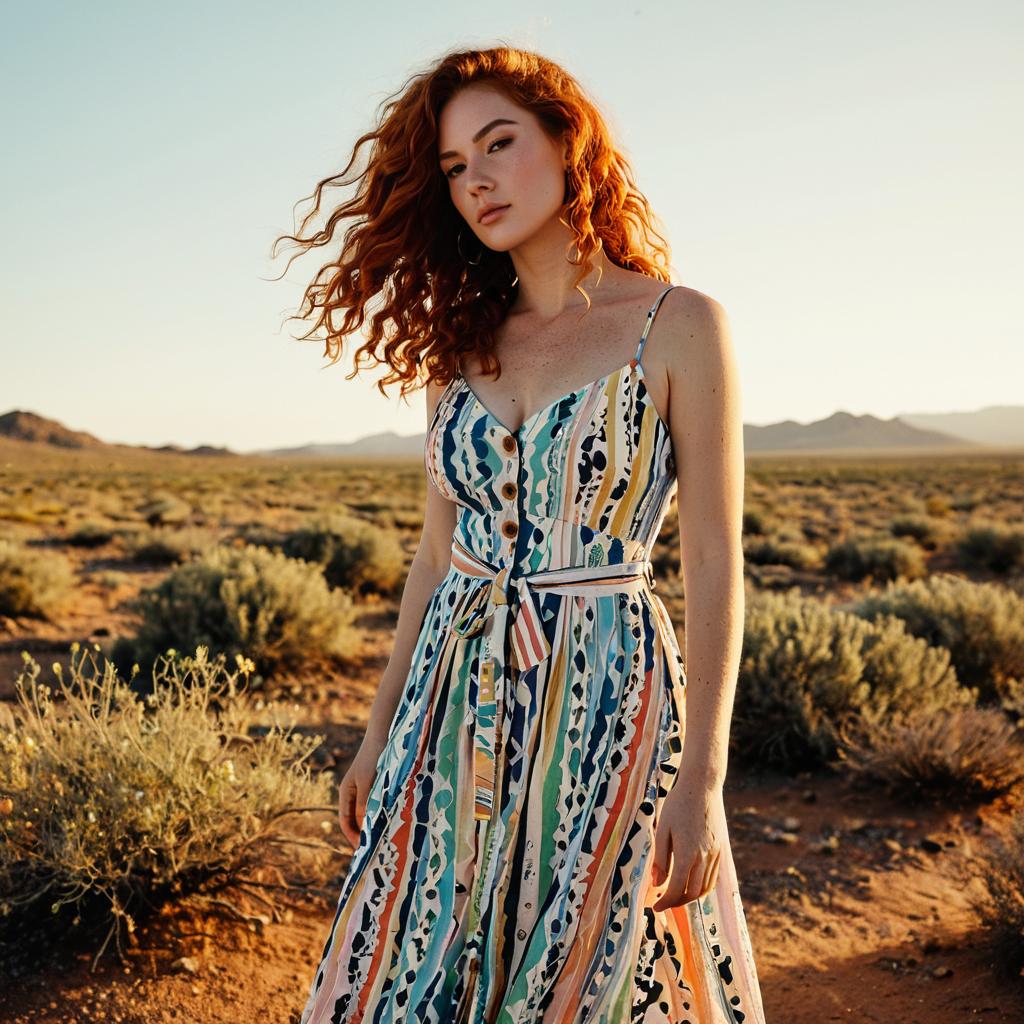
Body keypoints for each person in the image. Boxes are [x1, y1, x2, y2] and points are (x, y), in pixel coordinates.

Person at [277, 44, 765, 1024]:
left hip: (603, 687)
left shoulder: (676, 324)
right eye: (456, 168)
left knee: (590, 961)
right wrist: (379, 734)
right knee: (417, 957)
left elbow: (712, 560)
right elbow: (434, 555)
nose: (478, 181)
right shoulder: (459, 349)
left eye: (499, 144)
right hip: (451, 693)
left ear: (565, 140)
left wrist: (701, 781)